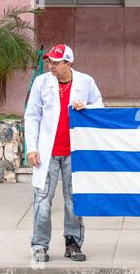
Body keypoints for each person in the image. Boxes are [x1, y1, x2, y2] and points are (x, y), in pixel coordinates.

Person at [25, 44, 104, 262]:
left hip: (75, 152)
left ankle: (73, 243)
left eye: (56, 62)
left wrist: (86, 106)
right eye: (49, 61)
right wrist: (31, 147)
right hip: (46, 152)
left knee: (73, 200)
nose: (50, 65)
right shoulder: (41, 82)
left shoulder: (85, 82)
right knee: (42, 199)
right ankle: (40, 244)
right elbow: (31, 115)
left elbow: (100, 106)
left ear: (68, 63)